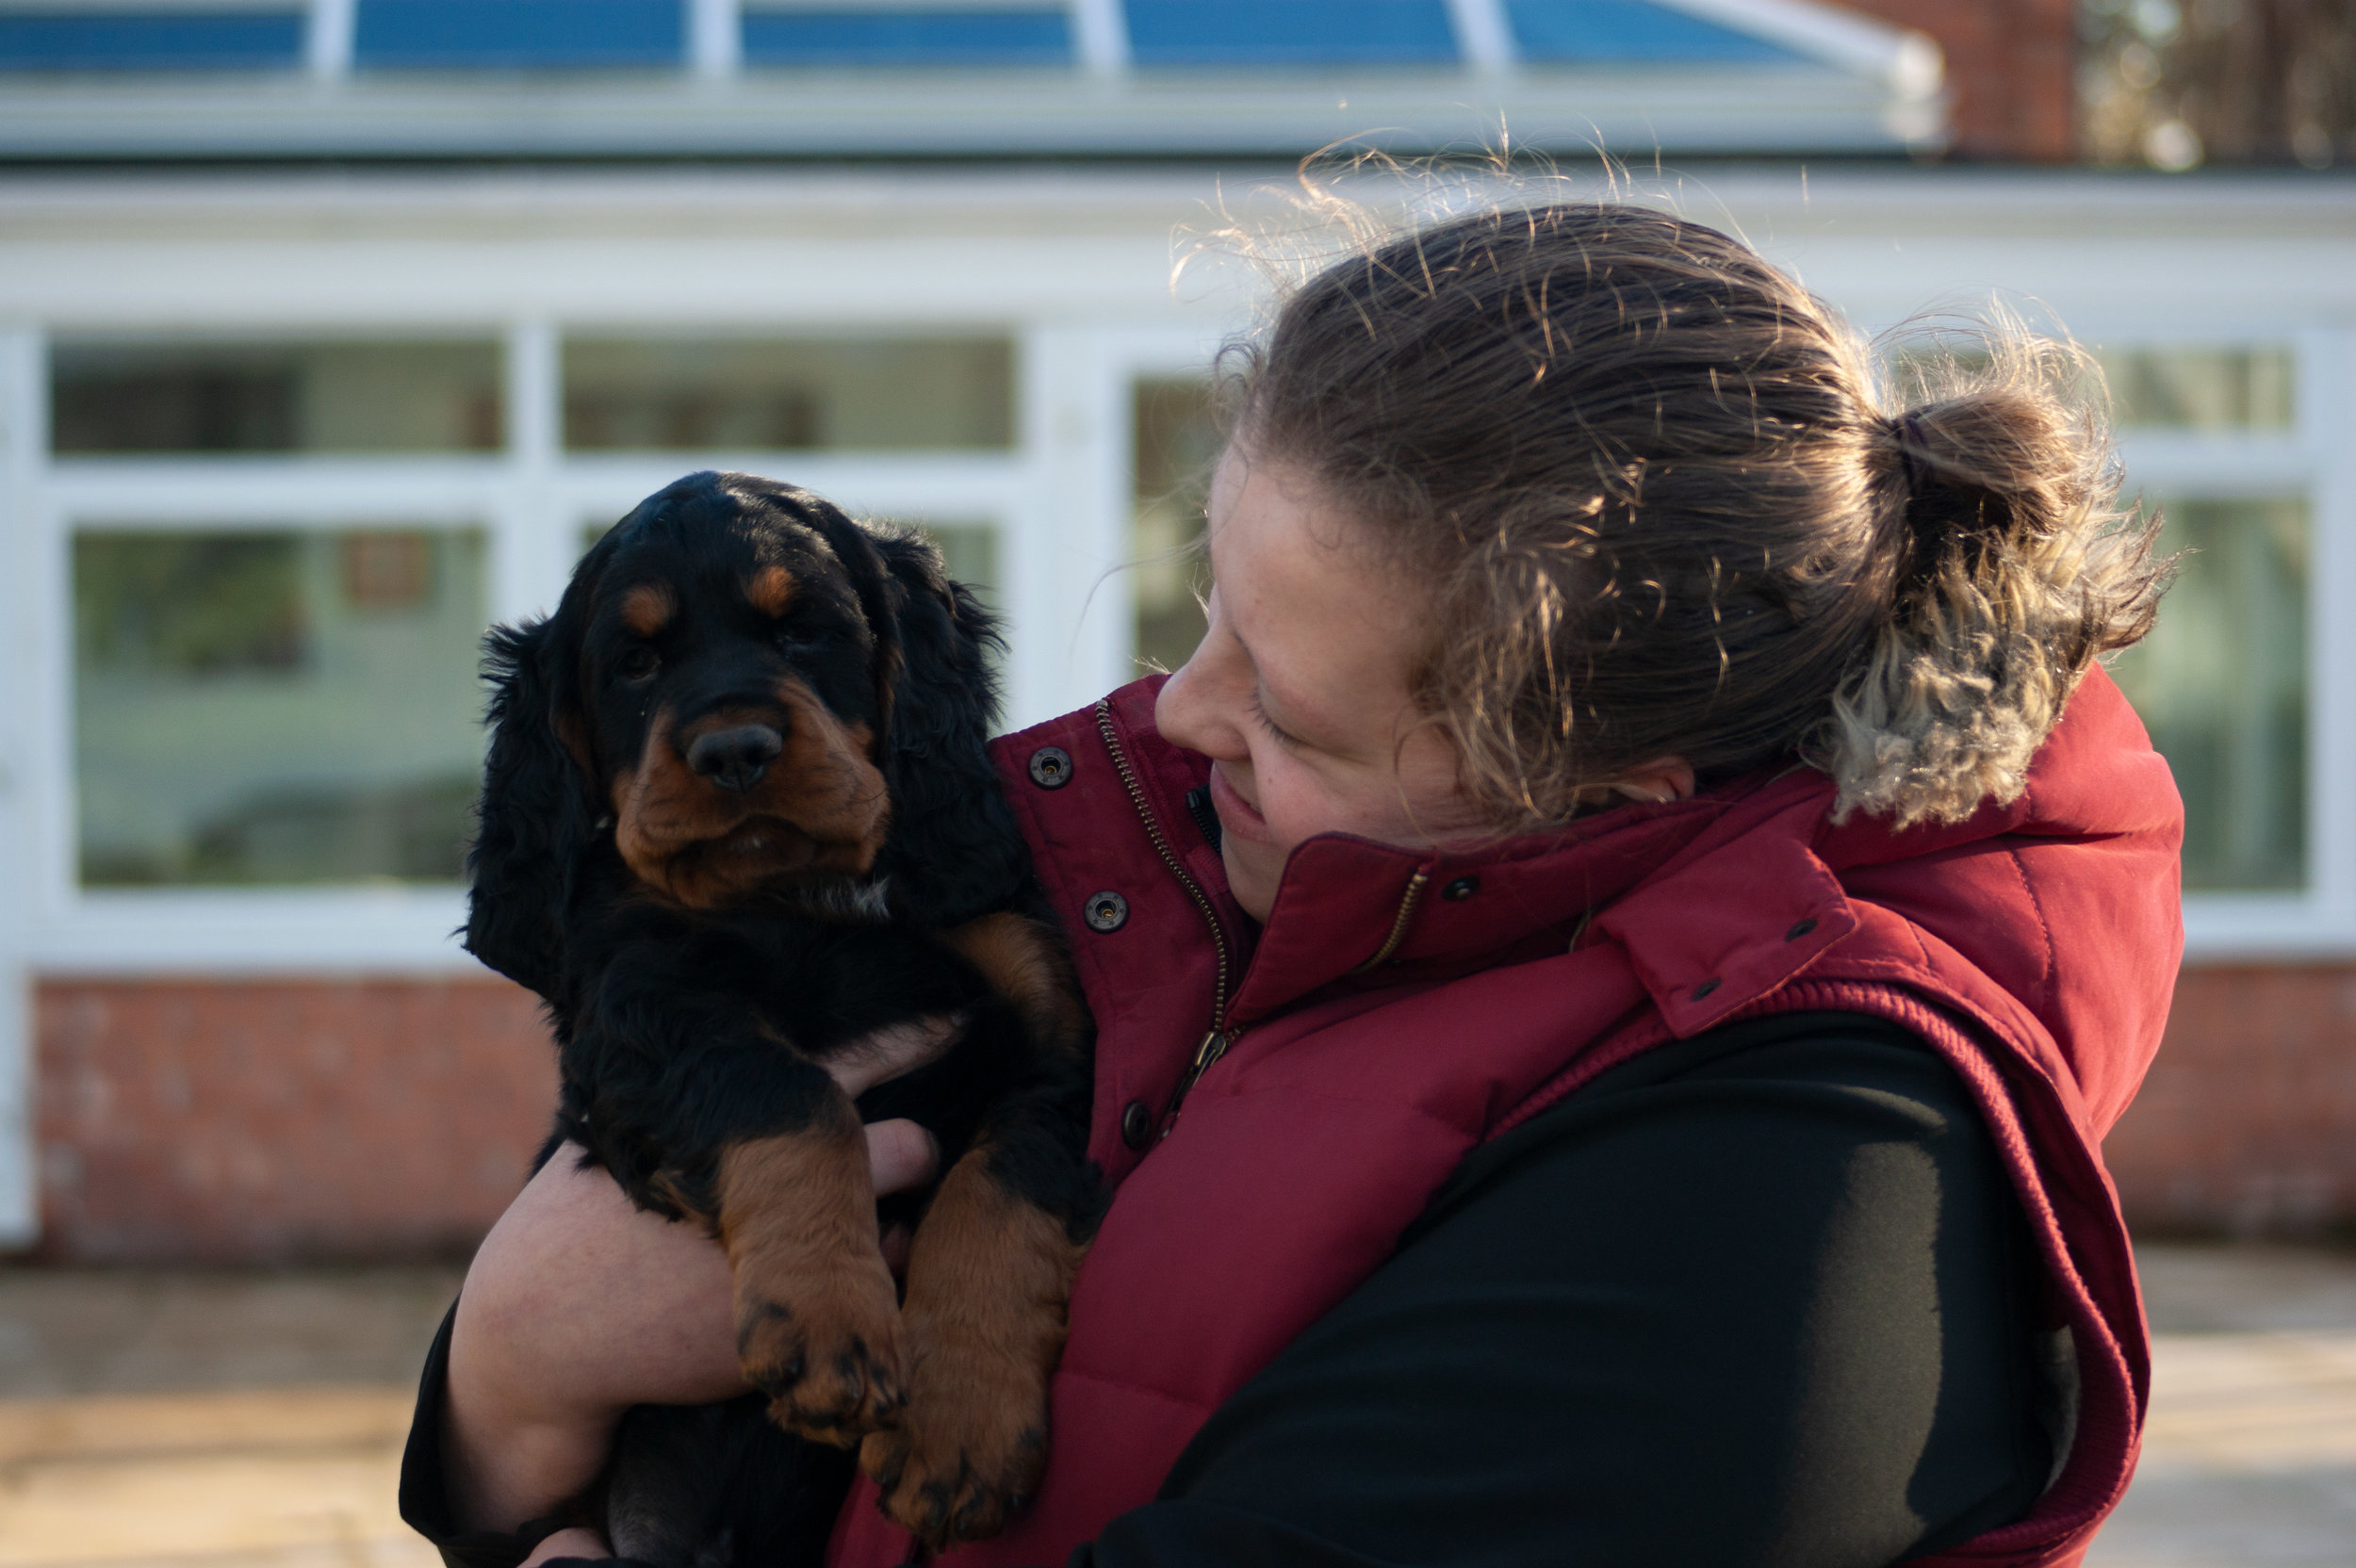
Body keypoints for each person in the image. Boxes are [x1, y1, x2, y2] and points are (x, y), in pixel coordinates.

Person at [401, 201, 2181, 1568]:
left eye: (1292, 703)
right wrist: (505, 1385)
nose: (1176, 716)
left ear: (1599, 788)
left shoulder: (1795, 1183)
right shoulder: (1223, 868)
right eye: (1211, 614)